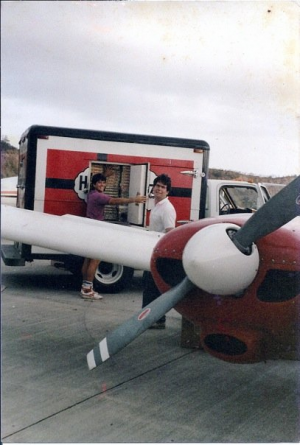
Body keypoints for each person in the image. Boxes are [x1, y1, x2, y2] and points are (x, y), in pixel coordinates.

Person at [81, 172, 147, 300]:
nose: (102, 184)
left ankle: (85, 287)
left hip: (89, 228)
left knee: (88, 260)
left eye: (103, 182)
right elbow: (114, 201)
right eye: (99, 182)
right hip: (97, 230)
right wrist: (134, 200)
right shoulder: (98, 196)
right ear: (94, 184)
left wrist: (106, 174)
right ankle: (87, 290)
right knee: (95, 260)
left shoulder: (91, 195)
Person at [142, 174, 176, 329]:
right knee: (149, 285)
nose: (159, 189)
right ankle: (148, 317)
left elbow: (170, 233)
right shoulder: (157, 205)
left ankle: (157, 319)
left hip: (159, 252)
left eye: (163, 187)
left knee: (153, 287)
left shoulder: (167, 209)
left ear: (167, 191)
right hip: (151, 249)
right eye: (157, 185)